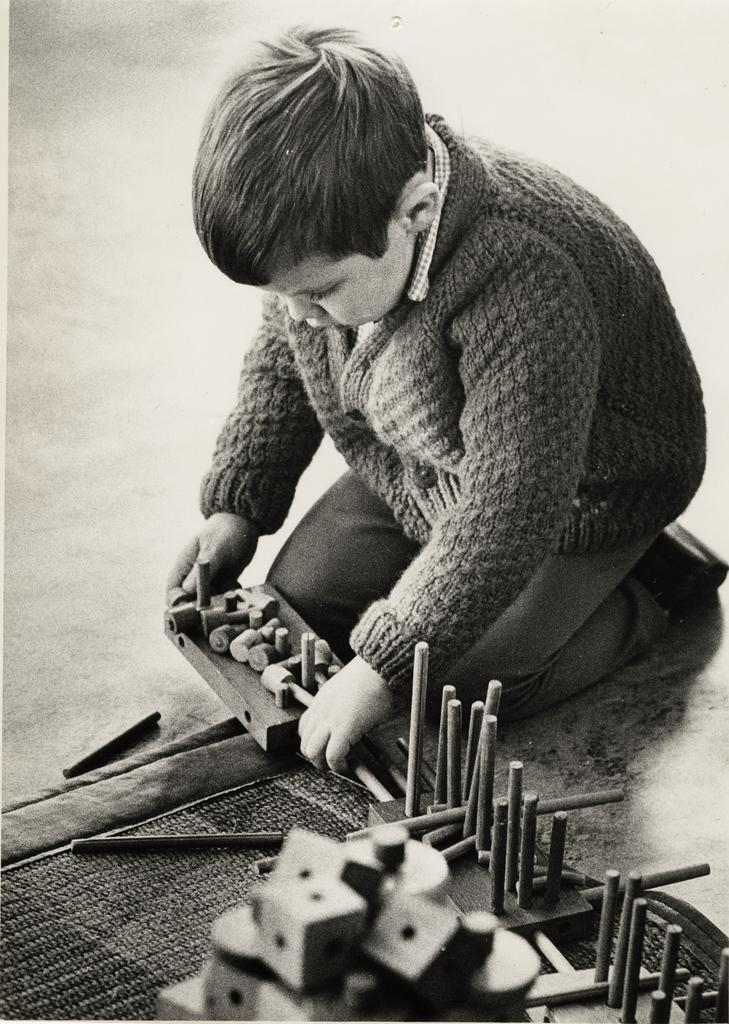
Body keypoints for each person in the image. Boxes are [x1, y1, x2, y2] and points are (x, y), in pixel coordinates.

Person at [167, 26, 706, 774]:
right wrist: (238, 506)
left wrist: (383, 665)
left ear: (416, 213)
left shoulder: (525, 274)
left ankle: (645, 590)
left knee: (451, 688)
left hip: (581, 494)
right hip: (429, 459)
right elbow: (285, 356)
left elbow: (511, 499)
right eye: (281, 296)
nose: (297, 317)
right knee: (299, 602)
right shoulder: (334, 244)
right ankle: (459, 595)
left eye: (318, 294)